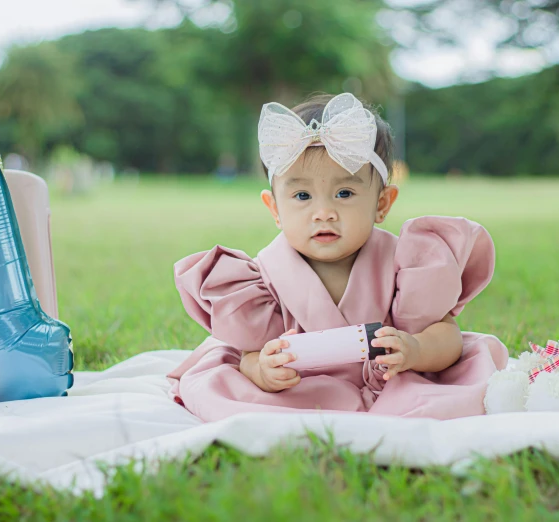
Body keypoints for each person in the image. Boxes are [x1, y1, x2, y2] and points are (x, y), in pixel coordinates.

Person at [167, 93, 508, 422]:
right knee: (228, 389)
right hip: (302, 390)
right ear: (274, 209)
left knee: (459, 388)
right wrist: (261, 370)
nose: (324, 212)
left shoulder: (406, 264)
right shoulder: (261, 279)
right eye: (302, 195)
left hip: (393, 384)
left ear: (381, 204)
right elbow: (250, 352)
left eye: (344, 193)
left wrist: (416, 349)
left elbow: (447, 334)